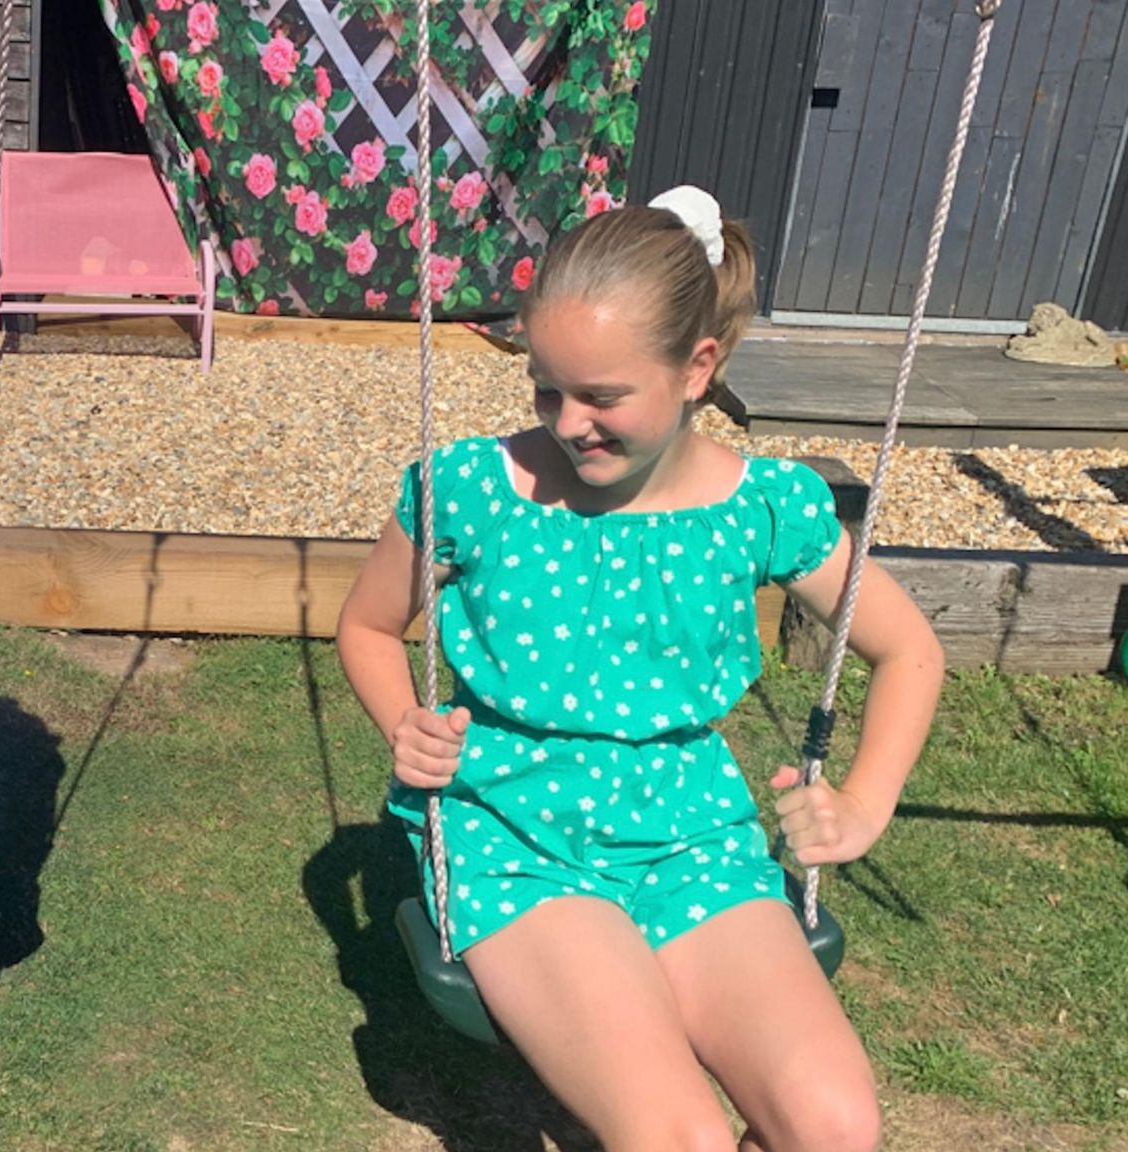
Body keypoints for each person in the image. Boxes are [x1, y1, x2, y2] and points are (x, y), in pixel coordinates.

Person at [336, 186, 945, 1151]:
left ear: (697, 368)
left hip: (694, 839)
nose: (569, 422)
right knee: (681, 1138)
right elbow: (368, 628)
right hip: (518, 840)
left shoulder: (761, 505)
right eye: (546, 388)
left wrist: (864, 804)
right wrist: (403, 720)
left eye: (602, 396)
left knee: (836, 1123)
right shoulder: (476, 489)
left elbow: (909, 648)